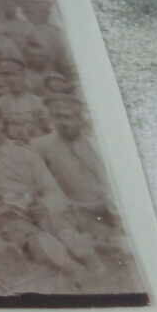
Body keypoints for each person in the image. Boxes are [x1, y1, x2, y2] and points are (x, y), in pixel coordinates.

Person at [0, 99, 97, 272]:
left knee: (62, 230)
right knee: (36, 240)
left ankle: (91, 261)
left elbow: (53, 191)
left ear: (1, 122)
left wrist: (45, 205)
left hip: (36, 208)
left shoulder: (24, 152)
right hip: (7, 215)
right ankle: (74, 269)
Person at [33, 95, 117, 234]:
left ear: (80, 120)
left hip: (109, 207)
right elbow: (43, 185)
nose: (63, 123)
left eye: (68, 117)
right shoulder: (41, 146)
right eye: (58, 117)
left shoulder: (97, 143)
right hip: (73, 211)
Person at [0, 57, 51, 138]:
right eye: (5, 75)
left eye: (15, 74)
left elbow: (50, 130)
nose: (11, 79)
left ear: (23, 75)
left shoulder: (39, 102)